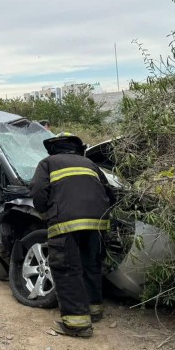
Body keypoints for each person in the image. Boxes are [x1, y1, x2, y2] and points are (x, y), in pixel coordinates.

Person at [29, 132, 115, 337]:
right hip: (97, 223)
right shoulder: (89, 164)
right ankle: (94, 310)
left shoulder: (47, 163)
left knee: (67, 268)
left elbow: (38, 191)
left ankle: (77, 324)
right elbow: (110, 193)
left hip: (65, 223)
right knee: (91, 264)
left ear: (53, 148)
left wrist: (45, 212)